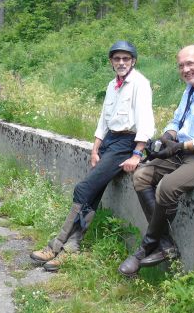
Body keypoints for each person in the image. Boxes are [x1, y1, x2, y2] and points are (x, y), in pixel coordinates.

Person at [118, 44, 194, 277]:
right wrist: (167, 137)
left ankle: (145, 247)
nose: (186, 69)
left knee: (167, 187)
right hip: (188, 153)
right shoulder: (190, 90)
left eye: (190, 63)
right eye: (181, 65)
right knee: (142, 175)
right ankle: (165, 245)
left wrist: (181, 146)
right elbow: (177, 121)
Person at [30, 40, 155, 272]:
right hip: (110, 142)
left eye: (125, 59)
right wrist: (95, 148)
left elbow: (146, 122)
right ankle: (72, 249)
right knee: (92, 194)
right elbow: (103, 120)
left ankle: (55, 245)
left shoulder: (140, 84)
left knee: (83, 189)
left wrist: (137, 154)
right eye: (116, 59)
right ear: (111, 62)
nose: (121, 62)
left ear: (133, 61)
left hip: (126, 143)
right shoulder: (112, 85)